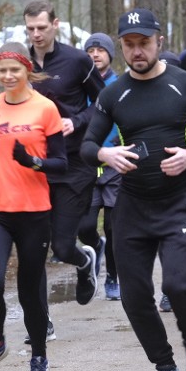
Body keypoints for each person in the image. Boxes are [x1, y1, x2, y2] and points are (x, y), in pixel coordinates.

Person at [81, 8, 186, 371]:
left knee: (178, 285)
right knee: (134, 294)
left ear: (159, 41)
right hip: (133, 206)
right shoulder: (113, 93)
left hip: (177, 202)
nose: (137, 51)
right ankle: (164, 366)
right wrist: (105, 156)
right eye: (130, 44)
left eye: (144, 43)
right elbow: (88, 145)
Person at [0, 42, 67, 371]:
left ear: (27, 71)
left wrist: (33, 161)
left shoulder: (45, 109)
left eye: (14, 70)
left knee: (30, 292)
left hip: (34, 212)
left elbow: (61, 162)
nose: (8, 76)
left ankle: (39, 357)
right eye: (2, 70)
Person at [23, 1, 104, 339]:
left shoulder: (77, 61)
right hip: (36, 167)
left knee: (61, 247)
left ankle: (83, 261)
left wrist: (77, 120)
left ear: (55, 24)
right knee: (34, 249)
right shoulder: (21, 63)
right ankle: (42, 323)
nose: (36, 34)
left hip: (73, 166)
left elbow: (103, 102)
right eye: (30, 29)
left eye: (42, 27)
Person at [78, 33, 121, 300]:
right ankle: (96, 247)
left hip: (116, 164)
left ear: (110, 54)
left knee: (114, 228)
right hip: (88, 163)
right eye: (90, 50)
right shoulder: (79, 85)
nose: (95, 54)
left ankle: (113, 277)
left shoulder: (120, 84)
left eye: (100, 50)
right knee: (85, 226)